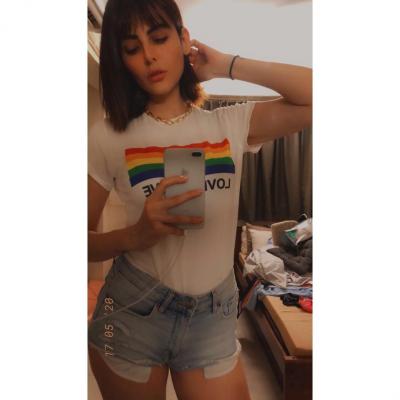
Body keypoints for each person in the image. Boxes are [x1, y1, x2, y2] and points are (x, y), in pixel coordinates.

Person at [88, 0, 312, 399]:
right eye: (132, 48)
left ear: (183, 40)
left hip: (213, 318)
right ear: (122, 61)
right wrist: (136, 235)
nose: (149, 56)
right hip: (128, 314)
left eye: (159, 38)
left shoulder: (229, 123)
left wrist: (226, 64)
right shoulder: (108, 136)